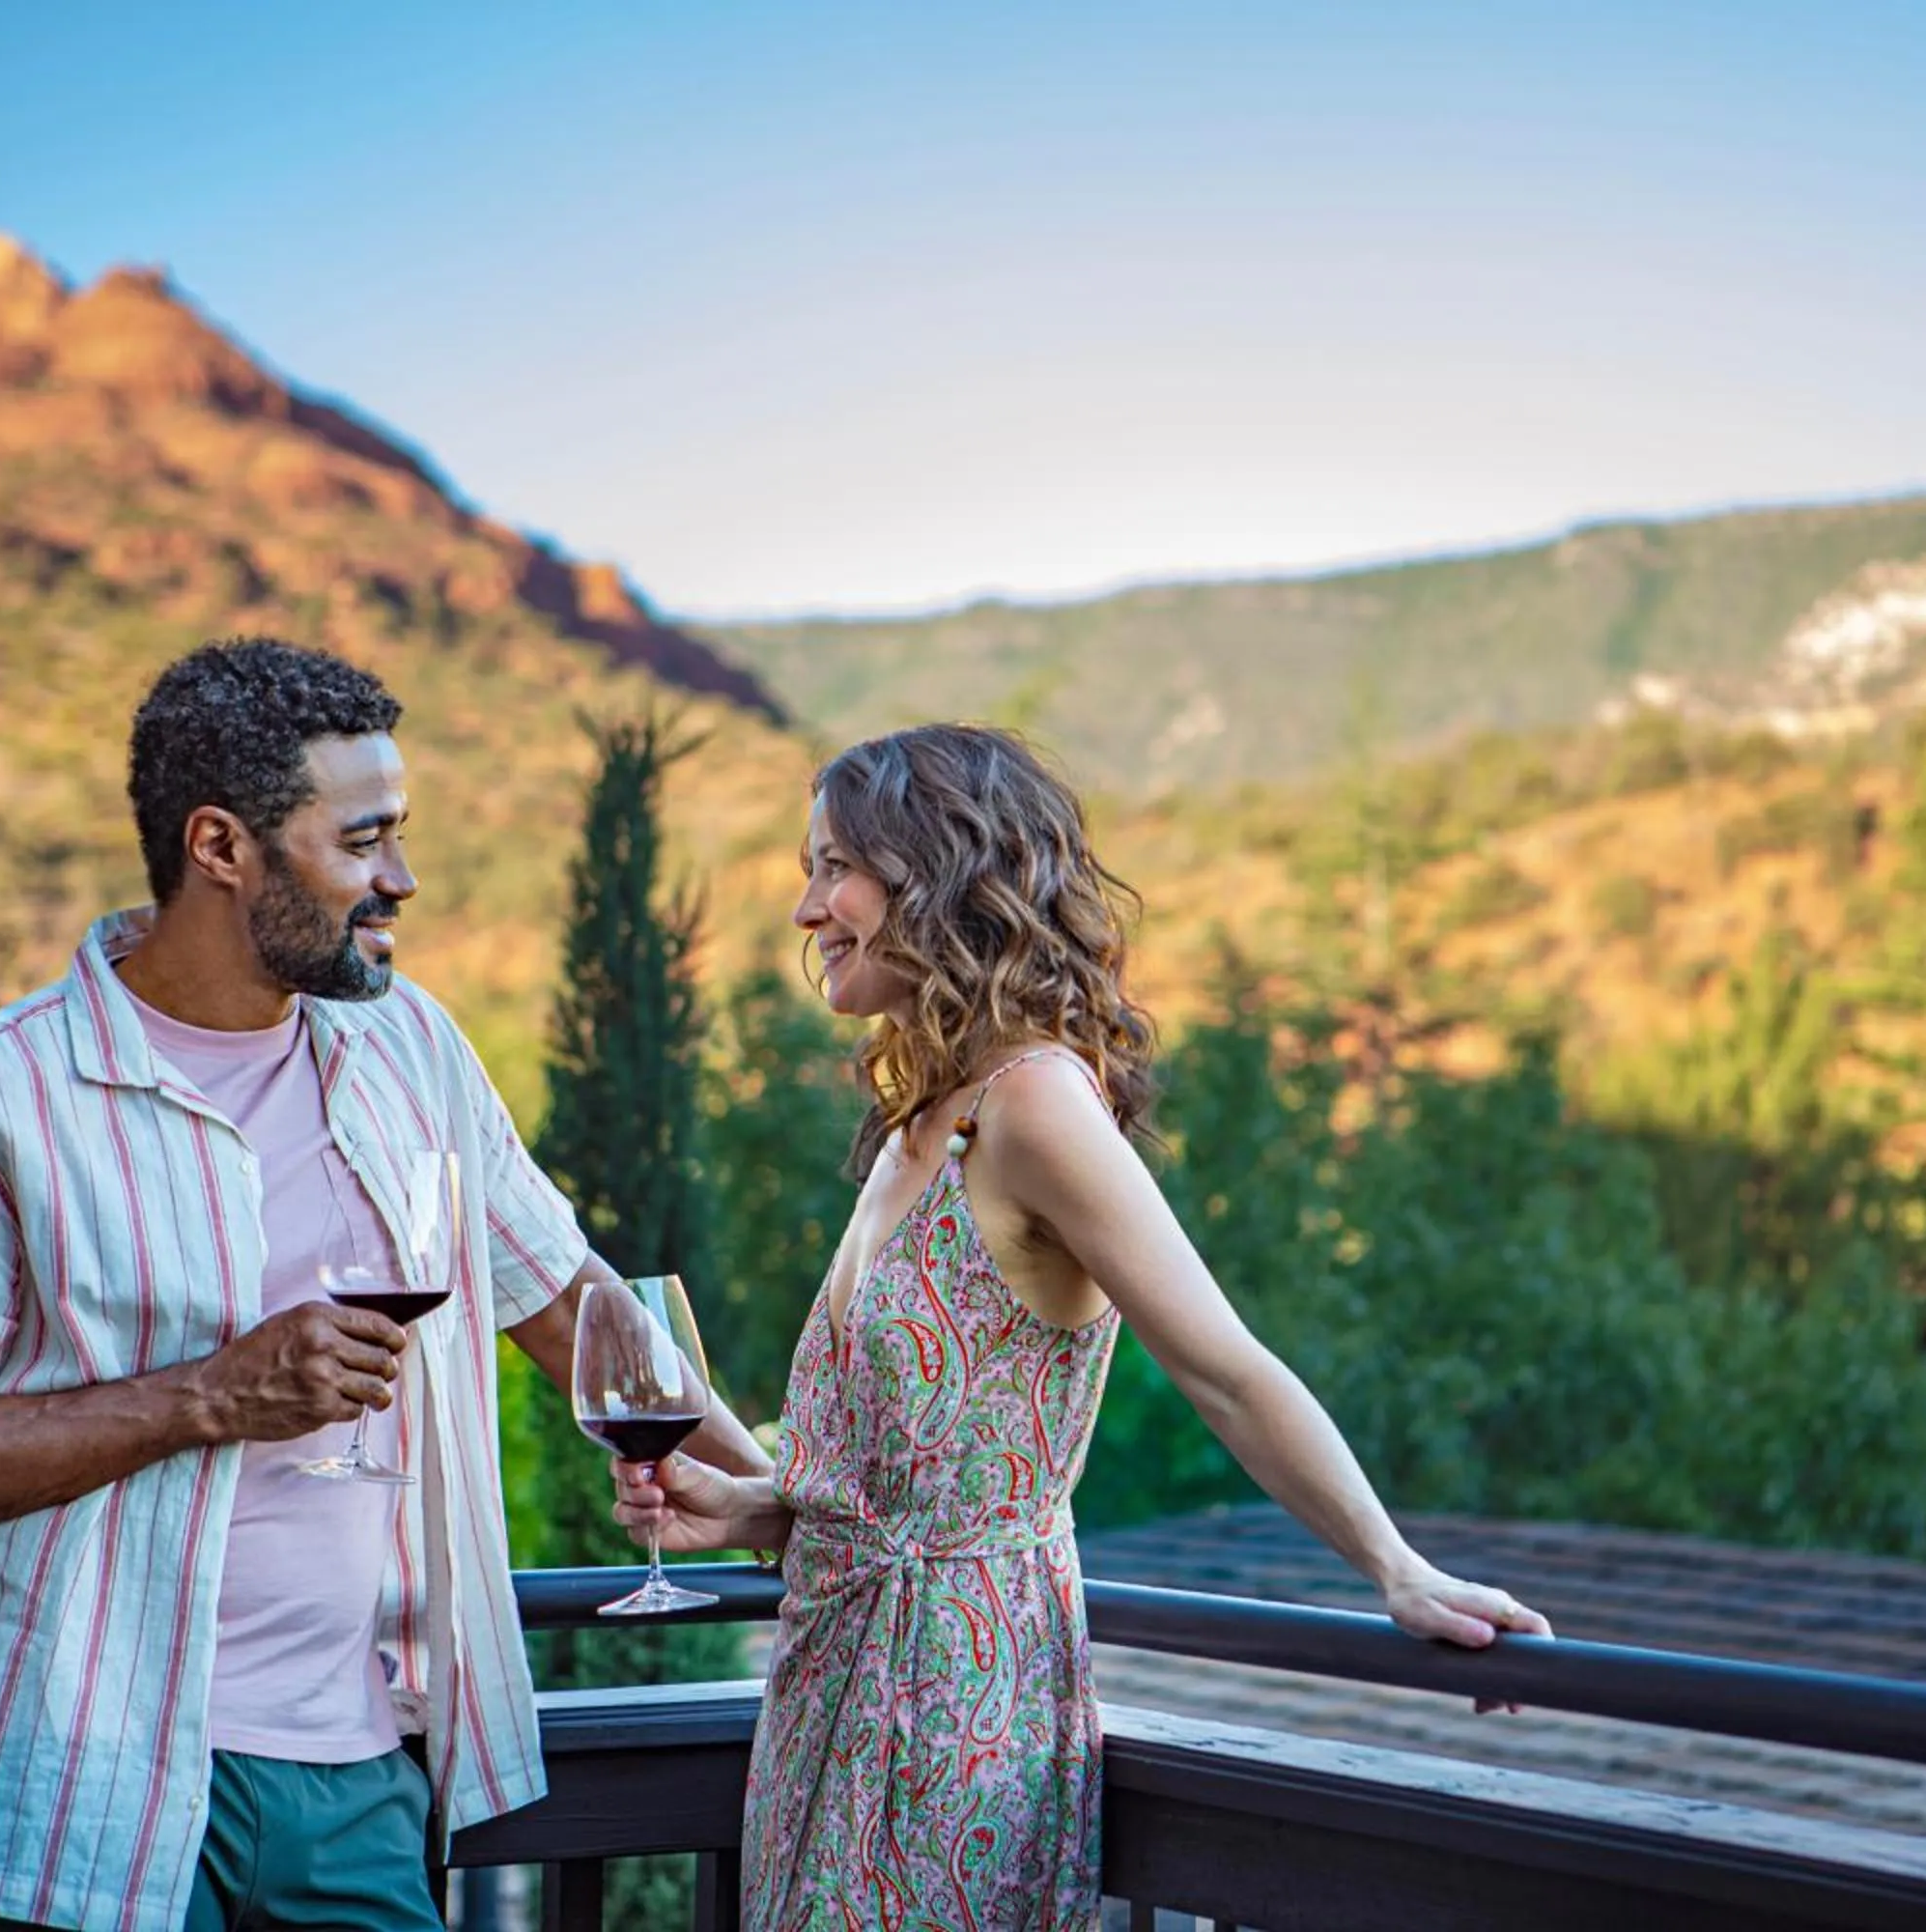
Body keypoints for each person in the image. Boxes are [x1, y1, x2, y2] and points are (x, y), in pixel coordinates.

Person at [0, 639, 768, 1932]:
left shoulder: (409, 1045)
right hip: (60, 1796)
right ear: (220, 847)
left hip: (353, 1784)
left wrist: (770, 1507)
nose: (402, 881)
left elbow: (572, 1301)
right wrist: (209, 1396)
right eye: (364, 843)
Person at [617, 723, 1551, 1931]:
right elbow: (907, 1465)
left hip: (957, 1704)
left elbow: (1222, 1366)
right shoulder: (923, 1121)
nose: (806, 908)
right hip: (829, 1687)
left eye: (832, 865)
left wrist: (1396, 1566)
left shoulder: (1037, 1104)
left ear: (937, 870)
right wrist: (754, 1507)